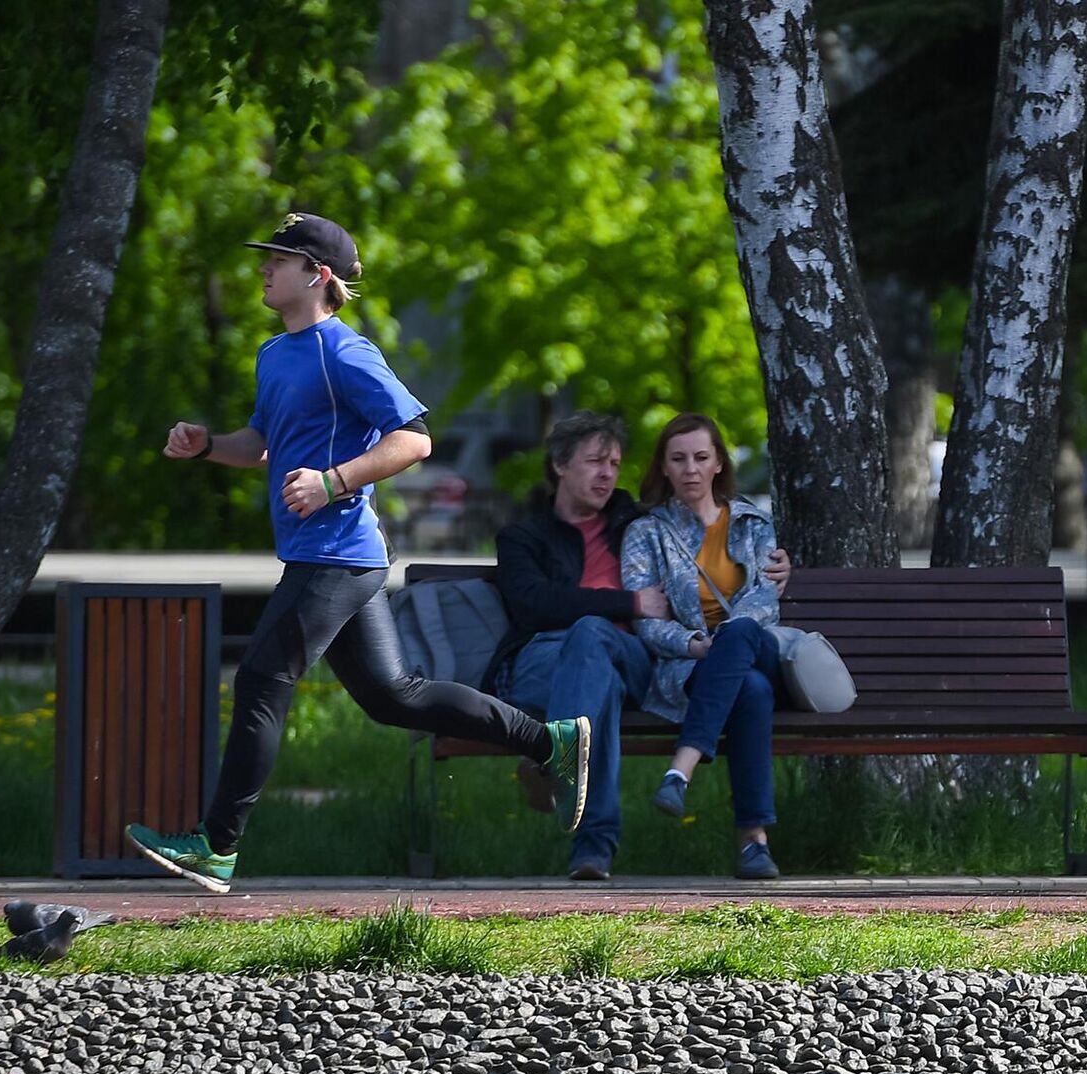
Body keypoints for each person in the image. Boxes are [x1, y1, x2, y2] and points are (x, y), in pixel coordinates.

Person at [126, 213, 596, 893]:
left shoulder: (343, 351)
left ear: (316, 276)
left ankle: (216, 846)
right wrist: (206, 445)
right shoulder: (274, 353)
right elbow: (260, 443)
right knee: (393, 696)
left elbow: (415, 440)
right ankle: (547, 740)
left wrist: (333, 481)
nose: (262, 269)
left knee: (260, 679)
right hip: (330, 555)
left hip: (337, 552)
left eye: (277, 260)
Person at [489, 411, 792, 881]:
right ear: (560, 466)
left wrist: (776, 570)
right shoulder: (524, 536)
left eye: (613, 462)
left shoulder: (631, 519)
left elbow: (698, 534)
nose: (608, 473)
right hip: (550, 656)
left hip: (633, 660)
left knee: (602, 648)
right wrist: (628, 602)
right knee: (594, 650)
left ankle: (568, 782)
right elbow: (534, 605)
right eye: (594, 462)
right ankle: (594, 840)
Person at [621, 413, 786, 879]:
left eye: (700, 457)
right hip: (691, 666)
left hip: (759, 648)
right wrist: (696, 646)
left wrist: (728, 638)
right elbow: (648, 622)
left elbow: (764, 602)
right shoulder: (647, 533)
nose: (690, 469)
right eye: (678, 459)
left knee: (742, 638)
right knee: (750, 692)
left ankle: (682, 769)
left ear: (718, 464)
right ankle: (754, 843)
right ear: (664, 468)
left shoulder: (752, 523)